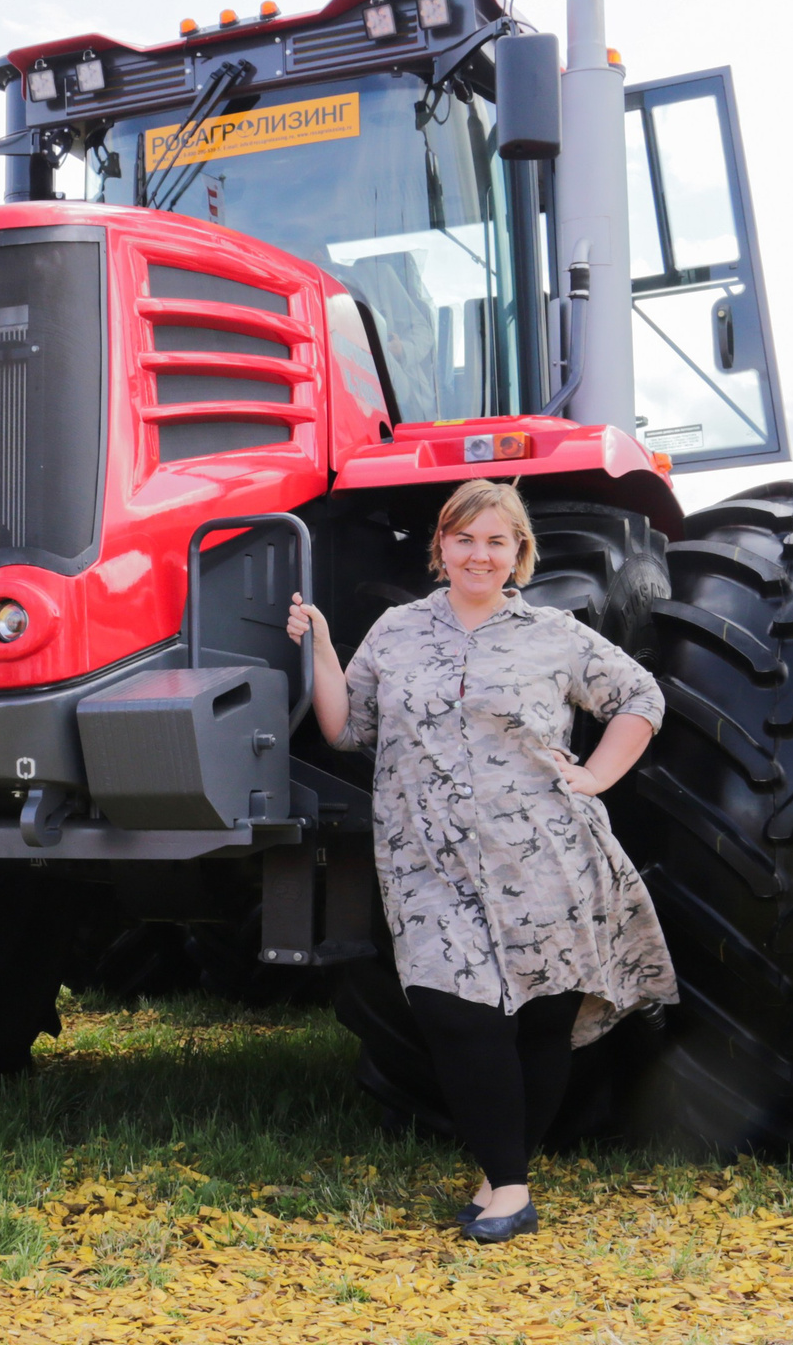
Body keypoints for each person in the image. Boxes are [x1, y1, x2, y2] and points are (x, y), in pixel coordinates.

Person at [285, 480, 674, 1245]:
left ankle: (505, 1180)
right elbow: (345, 727)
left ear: (519, 553)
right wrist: (325, 647)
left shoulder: (555, 634)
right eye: (465, 539)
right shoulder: (397, 632)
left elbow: (641, 696)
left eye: (497, 541)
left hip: (544, 856)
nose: (479, 554)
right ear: (442, 546)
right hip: (427, 861)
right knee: (449, 1009)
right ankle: (511, 1183)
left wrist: (595, 776)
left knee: (542, 1017)